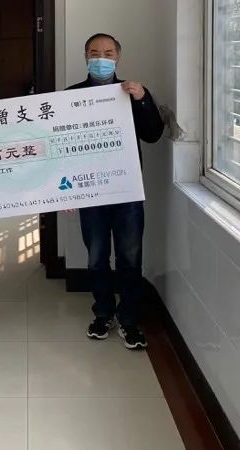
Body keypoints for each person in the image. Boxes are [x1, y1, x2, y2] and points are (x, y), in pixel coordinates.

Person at [67, 33, 164, 349]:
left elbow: (153, 134)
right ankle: (103, 313)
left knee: (130, 259)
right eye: (94, 52)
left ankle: (129, 320)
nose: (101, 58)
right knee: (96, 259)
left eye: (108, 53)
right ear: (85, 56)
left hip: (126, 193)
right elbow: (60, 149)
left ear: (117, 57)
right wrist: (66, 191)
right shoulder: (70, 97)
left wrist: (142, 99)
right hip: (91, 193)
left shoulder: (131, 93)